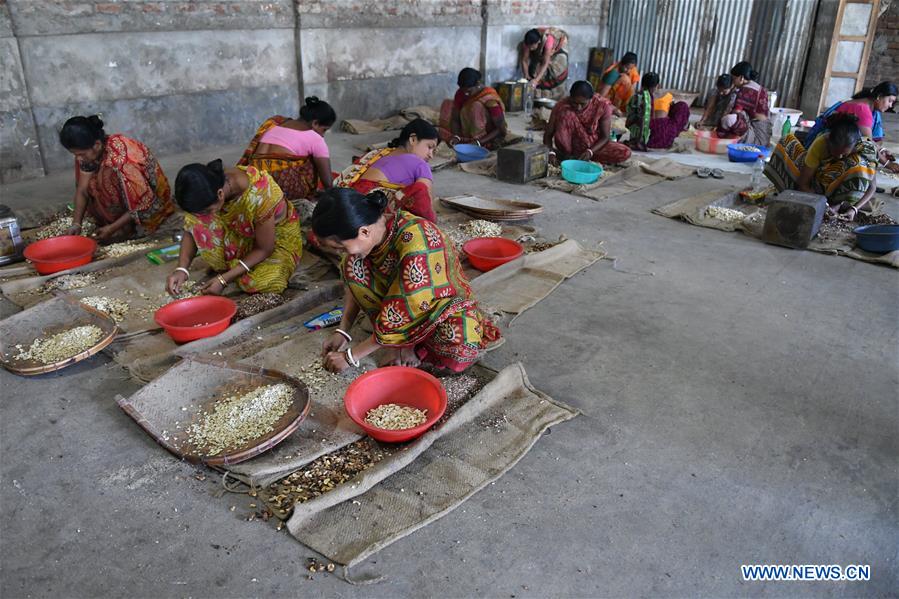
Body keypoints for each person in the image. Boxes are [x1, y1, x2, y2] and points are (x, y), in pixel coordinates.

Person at [312, 187, 500, 373]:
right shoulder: (366, 242)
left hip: (438, 309)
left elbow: (409, 307)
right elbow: (354, 288)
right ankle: (395, 339)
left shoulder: (417, 242)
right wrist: (343, 331)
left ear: (364, 232)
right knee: (352, 264)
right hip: (400, 307)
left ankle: (415, 347)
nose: (341, 254)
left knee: (459, 345)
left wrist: (351, 357)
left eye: (341, 247)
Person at [166, 160, 302, 296]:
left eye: (207, 211)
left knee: (264, 281)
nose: (203, 216)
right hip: (240, 231)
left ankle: (233, 269)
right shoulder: (210, 187)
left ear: (220, 194)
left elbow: (264, 249)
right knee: (199, 223)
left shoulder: (259, 195)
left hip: (273, 238)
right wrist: (181, 269)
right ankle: (235, 266)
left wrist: (223, 279)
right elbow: (191, 227)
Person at [59, 115, 174, 241]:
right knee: (94, 182)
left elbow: (144, 202)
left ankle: (128, 227)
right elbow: (82, 190)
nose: (79, 158)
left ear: (97, 145)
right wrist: (76, 223)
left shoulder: (122, 161)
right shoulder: (89, 155)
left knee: (106, 177)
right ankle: (116, 221)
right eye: (75, 155)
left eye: (81, 154)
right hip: (127, 201)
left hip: (150, 203)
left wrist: (112, 228)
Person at [764, 113, 878, 219]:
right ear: (829, 142)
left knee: (859, 167)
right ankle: (833, 203)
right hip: (819, 183)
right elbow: (803, 183)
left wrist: (854, 209)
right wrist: (822, 204)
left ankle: (840, 203)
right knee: (787, 140)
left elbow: (872, 187)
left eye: (844, 154)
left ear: (854, 146)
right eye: (835, 152)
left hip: (841, 191)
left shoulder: (865, 149)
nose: (839, 157)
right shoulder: (821, 143)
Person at [334, 119, 438, 222]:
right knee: (420, 190)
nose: (431, 155)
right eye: (430, 147)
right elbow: (426, 199)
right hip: (365, 210)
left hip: (345, 200)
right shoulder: (420, 163)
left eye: (434, 151)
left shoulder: (379, 153)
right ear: (413, 139)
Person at [237, 97, 336, 201]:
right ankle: (306, 195)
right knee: (315, 160)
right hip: (278, 187)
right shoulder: (315, 138)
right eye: (324, 129)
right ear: (315, 123)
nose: (323, 135)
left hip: (253, 180)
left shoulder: (276, 124)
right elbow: (327, 183)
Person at [804, 81, 898, 173]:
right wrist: (888, 164)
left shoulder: (870, 109)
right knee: (863, 160)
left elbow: (874, 141)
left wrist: (882, 150)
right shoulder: (863, 109)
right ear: (879, 96)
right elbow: (869, 144)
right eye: (890, 101)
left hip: (830, 144)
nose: (890, 106)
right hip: (822, 147)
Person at [544, 80, 632, 166]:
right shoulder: (561, 106)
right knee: (566, 113)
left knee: (625, 152)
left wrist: (590, 151)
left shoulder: (602, 106)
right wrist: (551, 153)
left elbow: (605, 137)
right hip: (568, 148)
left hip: (593, 146)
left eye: (583, 104)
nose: (578, 107)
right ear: (570, 97)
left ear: (591, 99)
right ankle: (568, 155)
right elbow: (548, 134)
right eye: (574, 103)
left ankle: (580, 157)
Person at [438, 68, 509, 150]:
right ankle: (466, 140)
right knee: (447, 104)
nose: (466, 94)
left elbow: (501, 129)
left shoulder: (490, 99)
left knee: (476, 107)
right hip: (467, 131)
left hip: (487, 135)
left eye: (469, 91)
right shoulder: (461, 93)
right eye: (463, 91)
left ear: (478, 83)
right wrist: (457, 137)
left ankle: (480, 142)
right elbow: (455, 119)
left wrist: (479, 142)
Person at [626, 73, 691, 151]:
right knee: (682, 106)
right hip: (664, 136)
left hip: (641, 138)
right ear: (658, 86)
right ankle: (681, 129)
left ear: (642, 85)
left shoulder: (636, 97)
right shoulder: (667, 95)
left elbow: (630, 119)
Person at [716, 61, 771, 146]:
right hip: (766, 132)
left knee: (727, 120)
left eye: (734, 79)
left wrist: (721, 129)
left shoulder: (745, 91)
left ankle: (718, 141)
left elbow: (735, 113)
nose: (733, 82)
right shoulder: (760, 88)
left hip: (757, 136)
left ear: (741, 78)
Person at [518, 27, 570, 95]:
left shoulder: (548, 40)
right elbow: (524, 60)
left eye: (532, 47)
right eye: (529, 47)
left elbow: (545, 62)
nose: (530, 49)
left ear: (539, 42)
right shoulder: (527, 42)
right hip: (544, 48)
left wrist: (536, 80)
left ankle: (549, 94)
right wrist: (526, 76)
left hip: (557, 48)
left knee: (553, 72)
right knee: (534, 71)